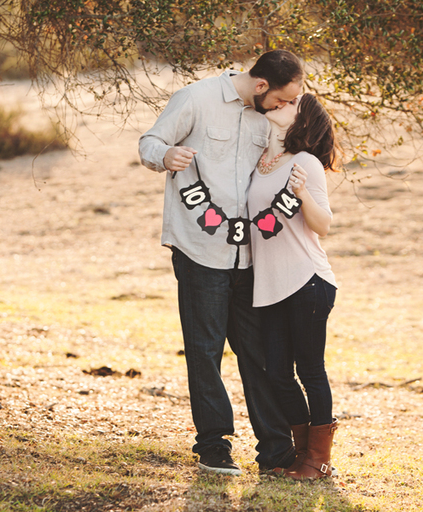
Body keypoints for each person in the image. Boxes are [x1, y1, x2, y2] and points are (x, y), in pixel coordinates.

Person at [139, 50, 305, 476]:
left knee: (260, 354)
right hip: (199, 250)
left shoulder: (265, 118)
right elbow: (149, 142)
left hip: (250, 255)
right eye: (283, 99)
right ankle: (214, 446)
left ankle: (275, 450)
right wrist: (166, 156)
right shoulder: (195, 99)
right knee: (205, 350)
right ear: (262, 85)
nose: (286, 108)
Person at [247, 92, 340, 479]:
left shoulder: (306, 164)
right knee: (278, 374)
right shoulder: (263, 164)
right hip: (269, 285)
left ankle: (318, 461)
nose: (279, 105)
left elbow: (323, 225)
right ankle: (302, 456)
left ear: (300, 120)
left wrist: (301, 195)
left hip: (307, 281)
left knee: (310, 370)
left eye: (289, 104)